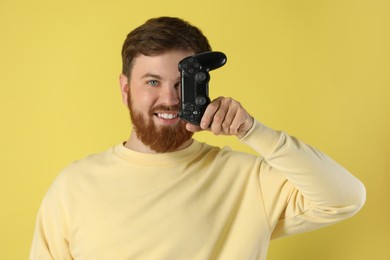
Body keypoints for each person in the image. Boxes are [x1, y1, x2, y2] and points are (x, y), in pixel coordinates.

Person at [29, 17, 366, 260]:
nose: (169, 98)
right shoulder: (73, 187)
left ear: (203, 86)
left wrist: (253, 131)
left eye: (181, 83)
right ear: (125, 88)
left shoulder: (248, 180)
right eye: (152, 82)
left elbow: (345, 197)